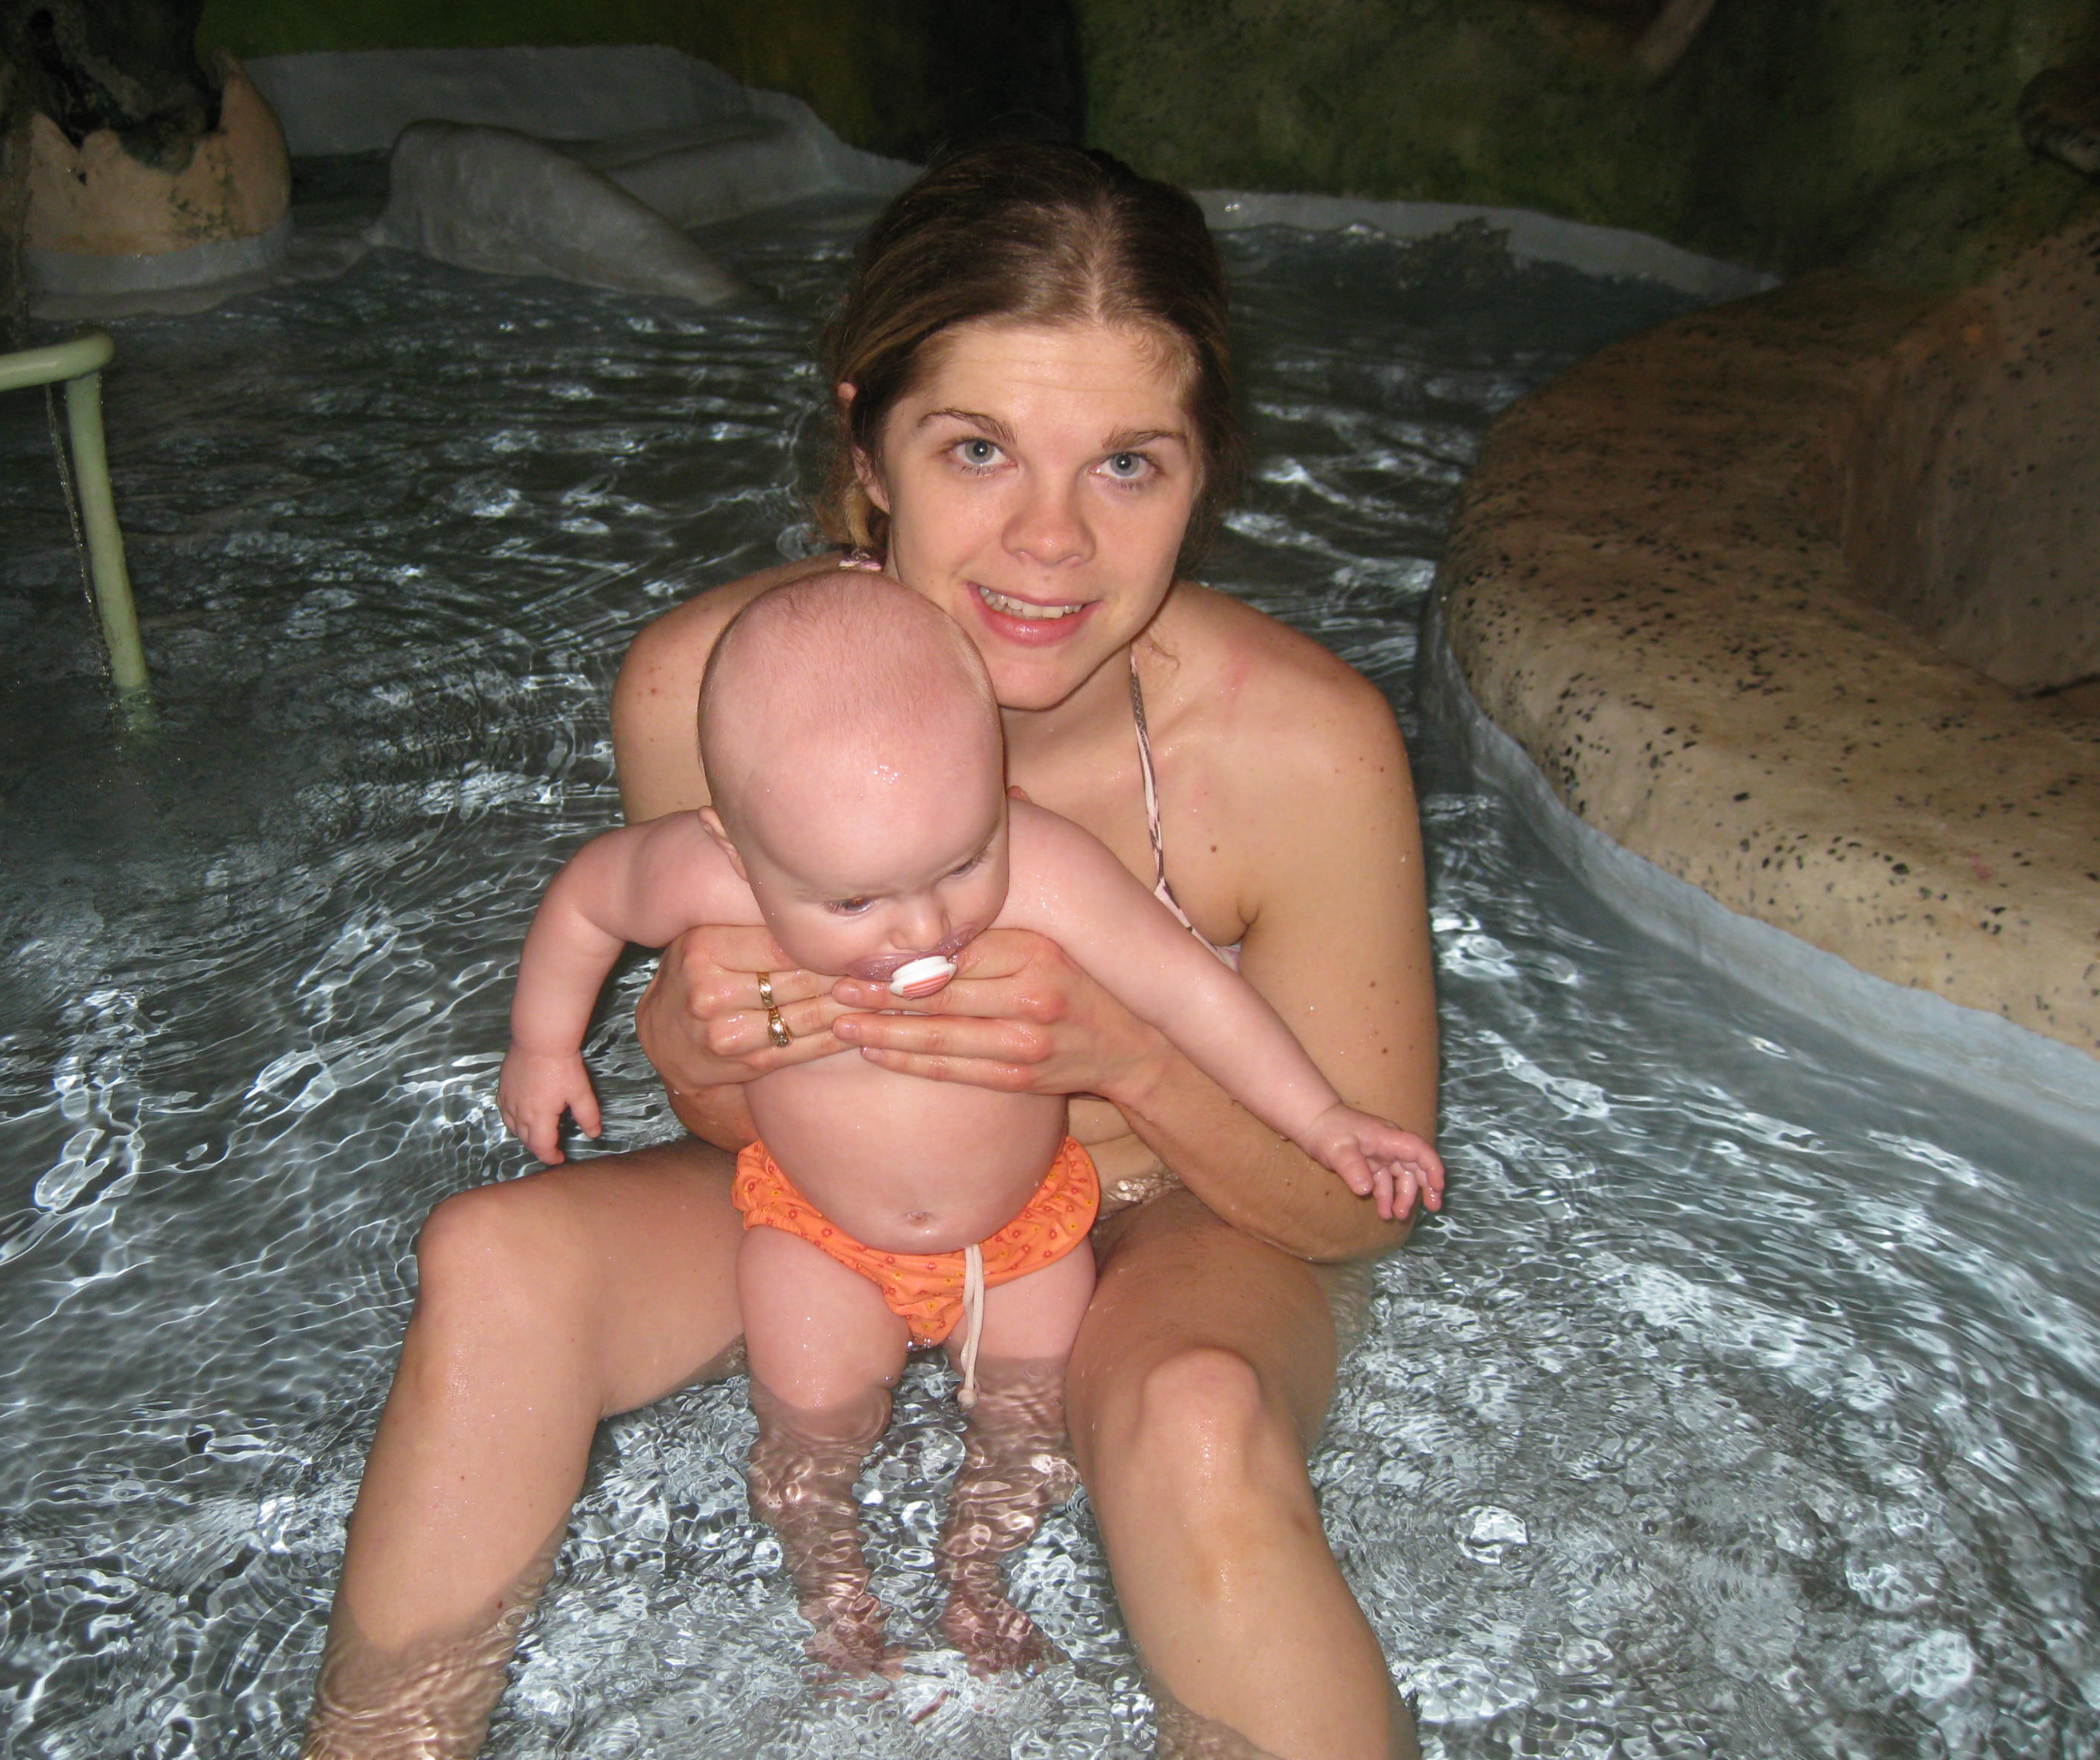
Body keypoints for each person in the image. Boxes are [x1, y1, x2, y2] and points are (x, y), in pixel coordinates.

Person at [289, 142, 1442, 1760]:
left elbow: (1355, 1214)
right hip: (832, 1203)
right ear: (866, 450)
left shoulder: (1302, 750)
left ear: (1206, 475)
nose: (1050, 541)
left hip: (1177, 1218)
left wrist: (1127, 1057)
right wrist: (696, 1053)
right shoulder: (709, 688)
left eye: (1128, 464)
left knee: (1195, 1420)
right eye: (976, 449)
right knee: (494, 1261)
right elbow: (738, 1110)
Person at [497, 567, 1443, 1678]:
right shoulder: (707, 878)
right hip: (816, 1232)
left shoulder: (1041, 866)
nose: (921, 928)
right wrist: (544, 1045)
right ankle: (832, 1586)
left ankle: (978, 1574)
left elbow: (1196, 995)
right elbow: (589, 900)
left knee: (1028, 1432)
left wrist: (1325, 1118)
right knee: (811, 1427)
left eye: (959, 864)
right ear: (734, 846)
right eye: (853, 902)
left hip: (1023, 1236)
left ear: (999, 789)